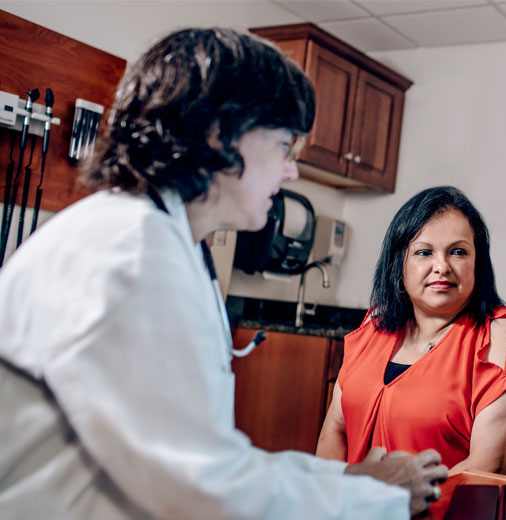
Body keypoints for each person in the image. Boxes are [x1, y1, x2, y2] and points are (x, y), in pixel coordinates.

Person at [0, 28, 446, 518]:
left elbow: (204, 460)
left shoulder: (161, 241)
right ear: (219, 133)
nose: (291, 171)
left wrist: (345, 478)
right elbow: (203, 492)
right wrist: (375, 495)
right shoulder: (132, 252)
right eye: (282, 145)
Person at [316, 186, 506, 479]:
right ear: (399, 265)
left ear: (479, 264)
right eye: (424, 252)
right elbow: (334, 433)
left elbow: (488, 469)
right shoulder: (374, 325)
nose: (442, 266)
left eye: (458, 252)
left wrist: (388, 504)